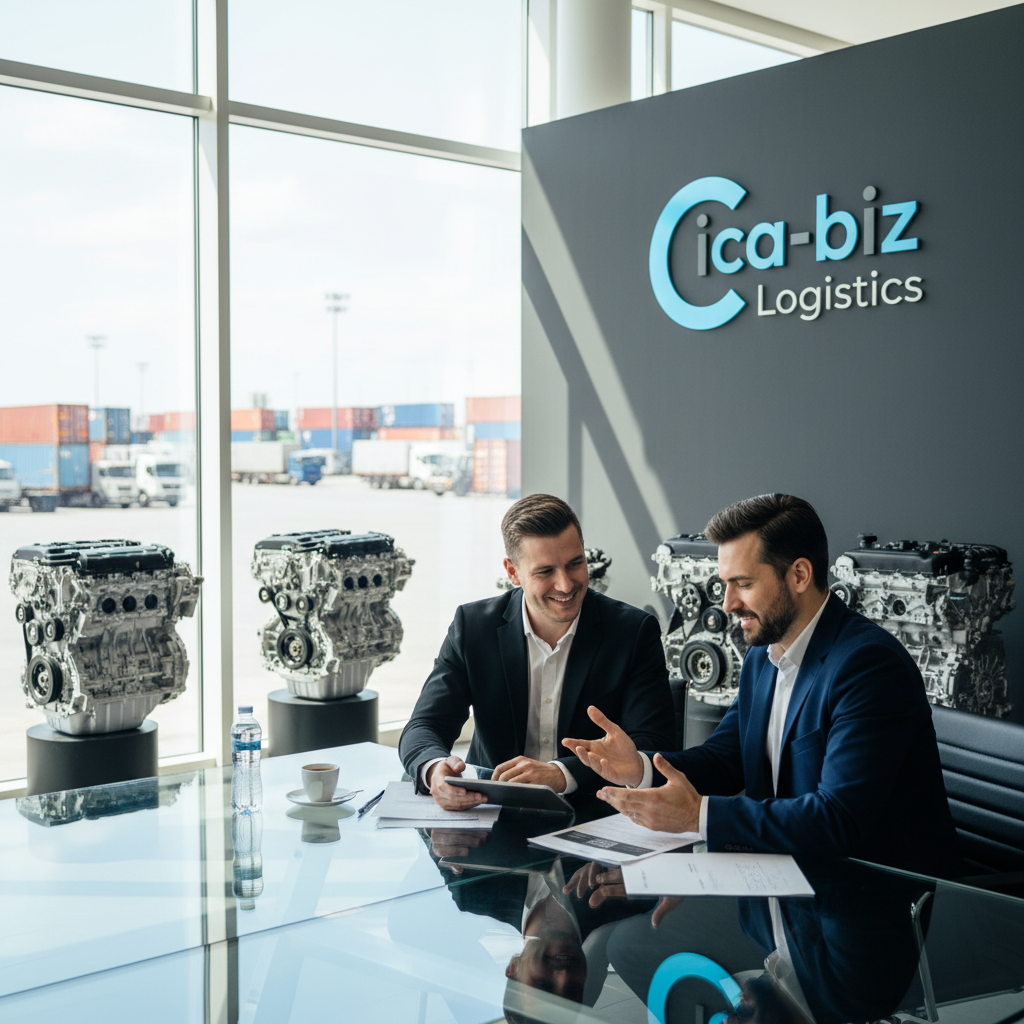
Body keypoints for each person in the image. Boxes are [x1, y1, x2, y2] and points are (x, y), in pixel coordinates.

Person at [564, 493, 962, 879]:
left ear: (800, 575)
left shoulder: (869, 666)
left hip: (866, 904)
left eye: (743, 583)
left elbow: (837, 820)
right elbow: (727, 758)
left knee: (619, 947)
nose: (728, 603)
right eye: (725, 584)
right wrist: (641, 768)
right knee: (621, 946)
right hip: (775, 887)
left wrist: (697, 815)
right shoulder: (764, 654)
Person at [399, 493, 674, 809]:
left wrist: (561, 774)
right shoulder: (473, 627)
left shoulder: (633, 632)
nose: (565, 584)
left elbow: (654, 747)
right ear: (513, 572)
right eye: (545, 572)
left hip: (593, 813)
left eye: (575, 564)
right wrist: (434, 770)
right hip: (492, 815)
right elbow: (424, 726)